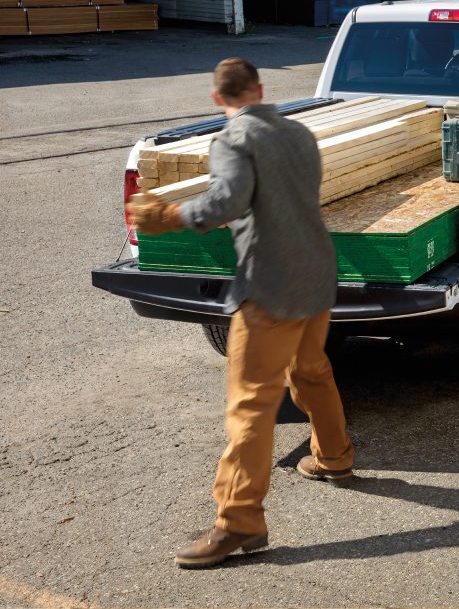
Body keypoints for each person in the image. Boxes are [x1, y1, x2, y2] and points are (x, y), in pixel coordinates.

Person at [126, 57, 355, 569]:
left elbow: (226, 201)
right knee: (312, 371)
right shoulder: (300, 134)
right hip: (317, 274)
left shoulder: (232, 140)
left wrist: (169, 216)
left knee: (251, 404)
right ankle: (334, 458)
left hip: (270, 286)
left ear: (218, 99)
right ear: (260, 89)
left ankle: (239, 522)